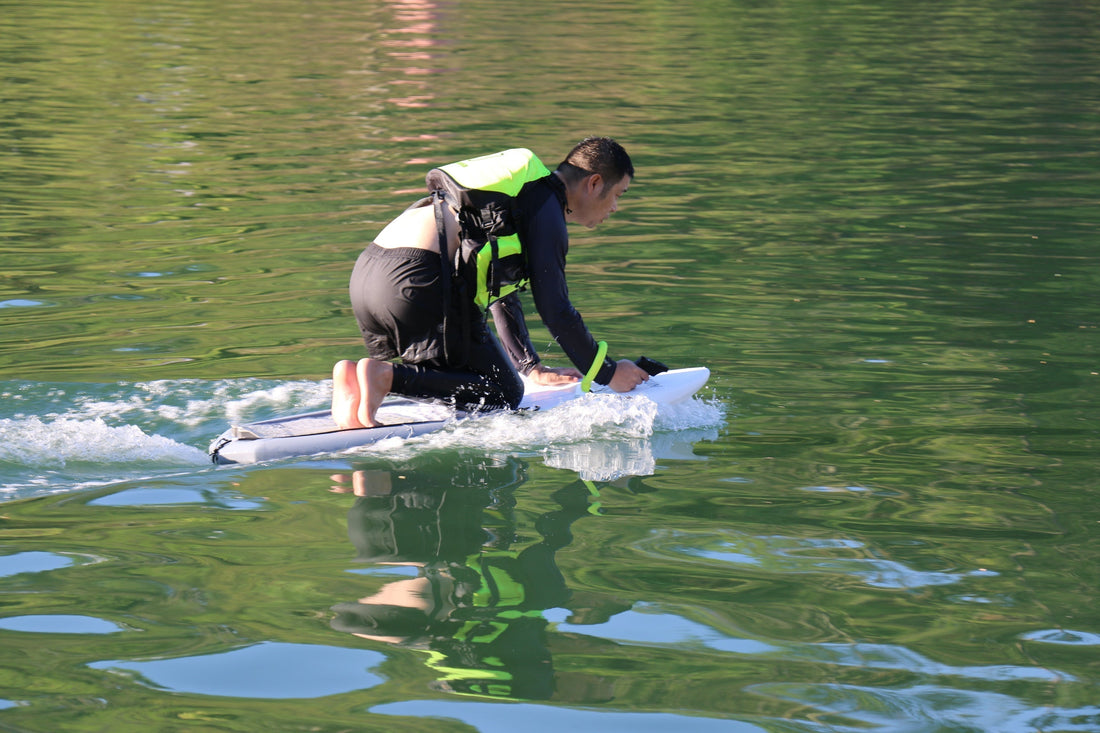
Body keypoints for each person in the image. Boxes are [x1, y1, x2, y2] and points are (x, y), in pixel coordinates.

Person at [331, 136, 652, 429]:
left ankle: (357, 383)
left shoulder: (520, 198)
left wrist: (531, 367)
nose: (614, 208)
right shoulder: (545, 206)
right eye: (617, 195)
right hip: (416, 280)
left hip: (370, 276)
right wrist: (606, 372)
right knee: (502, 394)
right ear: (594, 183)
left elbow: (499, 293)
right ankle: (386, 377)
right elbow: (555, 308)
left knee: (471, 377)